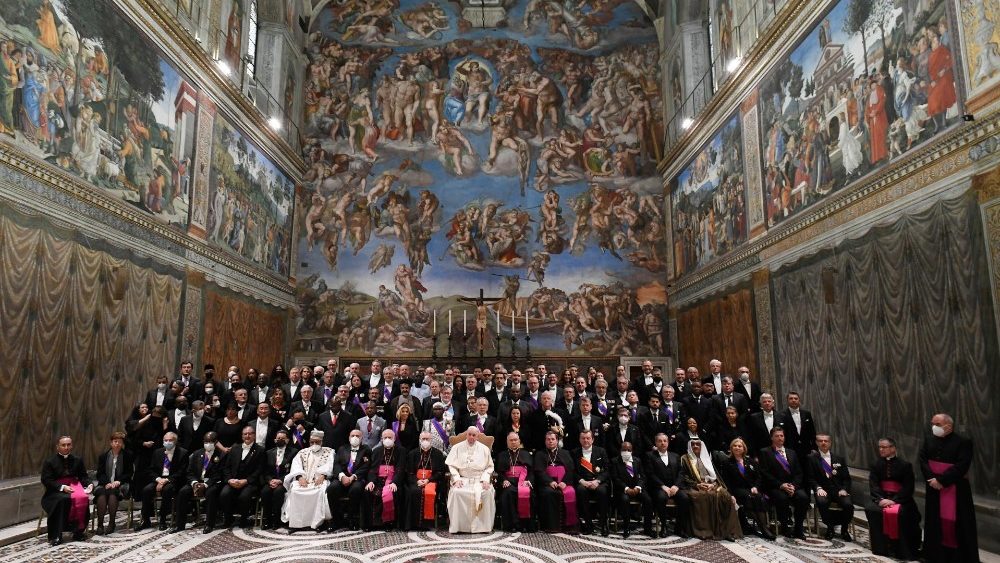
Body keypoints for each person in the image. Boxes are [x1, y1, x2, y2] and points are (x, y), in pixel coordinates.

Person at [919, 413, 978, 562]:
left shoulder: (963, 442)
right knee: (934, 520)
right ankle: (935, 555)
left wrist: (942, 481)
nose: (933, 427)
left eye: (937, 424)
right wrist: (932, 479)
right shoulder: (928, 440)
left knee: (958, 522)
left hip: (955, 487)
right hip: (933, 487)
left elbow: (962, 465)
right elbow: (923, 460)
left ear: (949, 426)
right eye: (932, 423)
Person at [865, 437, 922, 560]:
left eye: (884, 447)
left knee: (902, 514)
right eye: (879, 447)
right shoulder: (875, 465)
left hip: (901, 499)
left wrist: (894, 500)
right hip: (881, 498)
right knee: (872, 510)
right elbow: (874, 484)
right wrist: (880, 499)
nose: (881, 449)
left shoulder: (905, 465)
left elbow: (908, 487)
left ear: (893, 448)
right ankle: (881, 548)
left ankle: (901, 550)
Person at [679, 439, 742, 540]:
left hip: (712, 484)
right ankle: (704, 531)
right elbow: (684, 477)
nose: (695, 446)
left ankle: (727, 531)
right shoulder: (685, 459)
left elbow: (715, 475)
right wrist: (697, 484)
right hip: (695, 486)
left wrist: (713, 484)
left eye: (698, 444)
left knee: (725, 496)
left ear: (702, 447)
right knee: (702, 496)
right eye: (693, 444)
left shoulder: (707, 458)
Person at [718, 437, 775, 540]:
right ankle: (762, 528)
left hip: (751, 489)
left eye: (739, 446)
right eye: (735, 446)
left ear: (743, 449)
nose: (737, 448)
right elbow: (726, 482)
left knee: (758, 497)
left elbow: (759, 477)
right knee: (750, 497)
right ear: (731, 448)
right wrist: (730, 495)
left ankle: (762, 527)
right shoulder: (727, 462)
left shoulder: (750, 461)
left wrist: (755, 487)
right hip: (737, 490)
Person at [41, 436, 93, 546]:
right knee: (63, 500)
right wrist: (62, 487)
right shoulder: (50, 462)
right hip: (54, 491)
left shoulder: (77, 460)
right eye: (63, 445)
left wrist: (89, 484)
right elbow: (46, 480)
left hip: (74, 487)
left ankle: (78, 532)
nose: (66, 447)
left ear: (72, 446)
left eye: (68, 445)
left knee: (83, 498)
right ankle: (56, 535)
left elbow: (83, 476)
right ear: (57, 447)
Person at [757, 427, 808, 538]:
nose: (780, 438)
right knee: (782, 498)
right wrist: (781, 485)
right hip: (775, 486)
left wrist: (793, 486)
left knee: (803, 497)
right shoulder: (765, 452)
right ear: (771, 438)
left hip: (792, 486)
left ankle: (798, 528)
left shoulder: (792, 452)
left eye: (782, 436)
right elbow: (765, 473)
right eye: (777, 436)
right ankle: (785, 527)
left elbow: (799, 473)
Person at [445, 427, 495, 533]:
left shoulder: (484, 449)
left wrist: (485, 479)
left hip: (479, 480)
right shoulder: (457, 448)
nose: (471, 437)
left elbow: (490, 467)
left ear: (477, 436)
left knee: (487, 493)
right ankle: (459, 526)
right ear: (466, 435)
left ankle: (482, 527)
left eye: (474, 435)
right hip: (463, 480)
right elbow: (452, 466)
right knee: (456, 492)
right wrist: (456, 479)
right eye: (469, 434)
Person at [282, 430, 334, 531]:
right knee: (295, 491)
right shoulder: (302, 452)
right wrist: (300, 477)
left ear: (322, 441)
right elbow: (296, 466)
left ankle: (317, 523)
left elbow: (330, 466)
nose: (314, 444)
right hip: (303, 480)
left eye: (317, 442)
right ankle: (296, 524)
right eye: (312, 442)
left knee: (320, 491)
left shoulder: (329, 451)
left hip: (319, 480)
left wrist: (323, 475)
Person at [173, 432, 224, 533]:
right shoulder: (197, 454)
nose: (207, 444)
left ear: (216, 442)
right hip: (196, 482)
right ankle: (179, 524)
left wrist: (205, 485)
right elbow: (189, 472)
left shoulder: (221, 455)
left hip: (212, 483)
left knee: (211, 493)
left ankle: (209, 524)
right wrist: (195, 483)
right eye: (206, 441)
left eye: (210, 442)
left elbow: (219, 474)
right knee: (183, 492)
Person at [137, 432, 188, 531]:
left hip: (173, 480)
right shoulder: (157, 452)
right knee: (146, 490)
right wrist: (158, 479)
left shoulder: (183, 453)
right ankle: (146, 520)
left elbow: (181, 472)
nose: (167, 442)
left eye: (170, 440)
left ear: (175, 441)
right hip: (159, 479)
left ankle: (163, 520)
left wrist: (166, 480)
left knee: (167, 490)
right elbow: (151, 470)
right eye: (165, 440)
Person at [808, 434, 853, 540]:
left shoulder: (839, 459)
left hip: (838, 490)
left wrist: (844, 489)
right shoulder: (811, 459)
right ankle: (830, 527)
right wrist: (818, 488)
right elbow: (810, 478)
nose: (823, 443)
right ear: (816, 443)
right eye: (820, 441)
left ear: (830, 442)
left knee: (848, 505)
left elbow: (847, 478)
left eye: (826, 441)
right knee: (822, 502)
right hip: (823, 490)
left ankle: (844, 529)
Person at [644, 433, 690, 537]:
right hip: (658, 487)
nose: (662, 443)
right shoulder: (649, 455)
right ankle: (663, 526)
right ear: (656, 443)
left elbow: (681, 473)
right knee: (660, 498)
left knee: (685, 498)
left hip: (674, 487)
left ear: (668, 442)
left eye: (665, 441)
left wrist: (676, 486)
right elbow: (650, 474)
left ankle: (679, 528)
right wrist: (662, 486)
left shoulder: (676, 456)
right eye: (660, 441)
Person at [219, 426, 264, 529]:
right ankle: (228, 518)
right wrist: (229, 480)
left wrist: (246, 481)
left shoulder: (260, 450)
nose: (247, 436)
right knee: (224, 494)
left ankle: (244, 519)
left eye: (250, 433)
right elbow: (226, 467)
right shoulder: (235, 448)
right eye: (245, 434)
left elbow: (259, 470)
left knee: (244, 497)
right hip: (233, 481)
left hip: (249, 482)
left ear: (254, 435)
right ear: (242, 436)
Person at [534, 430, 578, 532]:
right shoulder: (540, 454)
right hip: (547, 484)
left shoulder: (565, 453)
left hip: (563, 482)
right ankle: (552, 526)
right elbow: (539, 471)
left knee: (571, 492)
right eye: (548, 439)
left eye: (553, 439)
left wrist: (565, 482)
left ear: (557, 441)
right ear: (545, 441)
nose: (550, 441)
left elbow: (571, 469)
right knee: (550, 493)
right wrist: (550, 481)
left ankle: (569, 527)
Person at [363, 429, 406, 530]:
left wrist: (395, 482)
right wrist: (371, 481)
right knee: (368, 491)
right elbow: (373, 469)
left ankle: (388, 523)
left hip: (393, 481)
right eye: (385, 438)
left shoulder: (401, 450)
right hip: (378, 481)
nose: (387, 439)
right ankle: (372, 523)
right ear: (381, 439)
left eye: (390, 437)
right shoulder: (377, 451)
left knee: (392, 492)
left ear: (394, 439)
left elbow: (400, 469)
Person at [327, 429, 371, 531]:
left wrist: (352, 477)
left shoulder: (366, 449)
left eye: (357, 436)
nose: (355, 438)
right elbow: (336, 464)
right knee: (331, 489)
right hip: (342, 477)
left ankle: (352, 519)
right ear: (349, 437)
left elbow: (366, 466)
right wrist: (342, 476)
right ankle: (336, 520)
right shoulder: (342, 448)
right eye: (352, 435)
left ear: (361, 438)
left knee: (355, 490)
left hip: (356, 478)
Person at [404, 431, 447, 530]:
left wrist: (428, 480)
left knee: (429, 492)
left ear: (431, 441)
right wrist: (416, 481)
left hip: (432, 481)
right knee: (413, 492)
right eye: (423, 439)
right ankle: (414, 524)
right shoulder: (412, 453)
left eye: (427, 439)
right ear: (419, 440)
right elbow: (409, 472)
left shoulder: (438, 454)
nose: (425, 441)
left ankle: (427, 524)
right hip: (416, 481)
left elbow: (440, 472)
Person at [612, 441, 654, 538]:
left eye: (629, 450)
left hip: (636, 488)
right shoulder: (615, 461)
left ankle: (648, 528)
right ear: (620, 450)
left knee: (648, 500)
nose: (626, 452)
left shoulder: (637, 461)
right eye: (624, 450)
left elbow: (642, 476)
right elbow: (615, 478)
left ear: (632, 451)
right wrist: (626, 489)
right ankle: (626, 527)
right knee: (624, 499)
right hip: (622, 489)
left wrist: (638, 487)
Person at [573, 429, 610, 535]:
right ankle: (588, 524)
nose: (586, 440)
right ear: (579, 440)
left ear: (593, 439)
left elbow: (607, 470)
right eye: (583, 438)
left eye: (588, 438)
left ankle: (603, 524)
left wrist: (598, 481)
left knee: (603, 492)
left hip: (598, 481)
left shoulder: (601, 451)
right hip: (583, 482)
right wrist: (582, 481)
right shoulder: (575, 452)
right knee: (580, 491)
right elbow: (572, 471)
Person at [495, 431, 534, 532]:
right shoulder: (502, 454)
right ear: (507, 442)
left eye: (515, 440)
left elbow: (531, 471)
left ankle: (525, 525)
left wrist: (528, 480)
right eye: (511, 440)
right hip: (509, 481)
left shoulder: (526, 454)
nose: (513, 442)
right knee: (508, 493)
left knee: (528, 493)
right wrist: (503, 480)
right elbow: (499, 472)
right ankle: (512, 525)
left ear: (519, 441)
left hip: (523, 481)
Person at [93, 431, 131, 535]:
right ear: (111, 443)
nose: (117, 444)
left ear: (122, 443)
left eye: (119, 442)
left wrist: (119, 481)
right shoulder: (103, 456)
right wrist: (106, 483)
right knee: (101, 493)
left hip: (121, 485)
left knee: (113, 493)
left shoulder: (127, 456)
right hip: (105, 484)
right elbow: (100, 474)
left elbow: (129, 473)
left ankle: (111, 523)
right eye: (115, 441)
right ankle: (100, 525)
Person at [260, 429, 297, 530]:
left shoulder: (293, 452)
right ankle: (267, 520)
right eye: (278, 438)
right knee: (265, 492)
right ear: (275, 440)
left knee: (278, 492)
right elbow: (265, 470)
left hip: (285, 481)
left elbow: (293, 470)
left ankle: (277, 520)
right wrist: (269, 480)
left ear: (287, 440)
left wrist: (280, 480)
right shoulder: (268, 453)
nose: (280, 440)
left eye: (282, 438)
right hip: (271, 481)